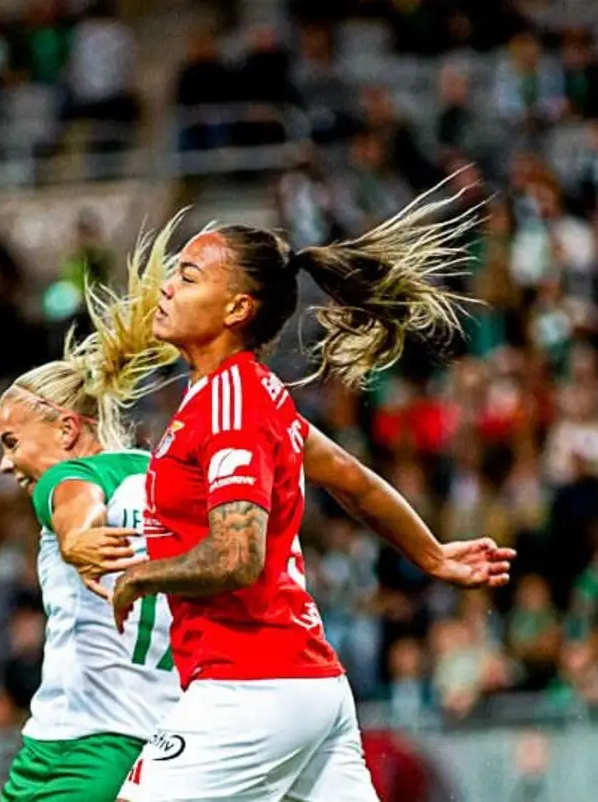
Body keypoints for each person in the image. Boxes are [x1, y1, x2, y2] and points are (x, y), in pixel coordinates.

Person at [97, 185, 514, 801]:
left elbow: (240, 557)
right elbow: (353, 480)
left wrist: (141, 575)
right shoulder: (251, 395)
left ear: (237, 308)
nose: (166, 287)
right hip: (308, 687)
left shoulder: (230, 403)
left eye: (187, 276)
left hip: (250, 688)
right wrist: (432, 555)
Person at [0, 227, 181, 801]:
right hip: (161, 732)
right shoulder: (167, 473)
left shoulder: (70, 479)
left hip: (82, 746)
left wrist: (77, 538)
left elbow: (74, 505)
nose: (6, 465)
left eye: (10, 441)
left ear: (68, 429)